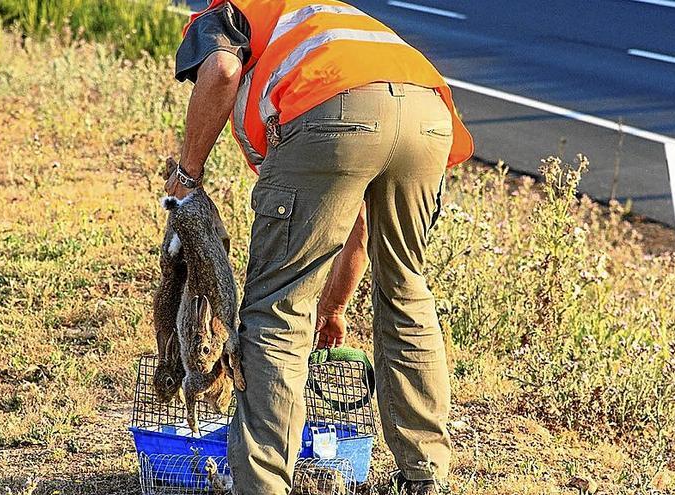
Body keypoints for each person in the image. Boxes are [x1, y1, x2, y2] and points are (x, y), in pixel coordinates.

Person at [163, 1, 474, 493]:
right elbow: (351, 218)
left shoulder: (228, 11)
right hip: (426, 115)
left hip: (331, 112)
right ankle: (425, 476)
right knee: (407, 291)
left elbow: (222, 70)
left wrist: (187, 177)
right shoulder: (321, 17)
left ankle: (261, 485)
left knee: (278, 310)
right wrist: (334, 304)